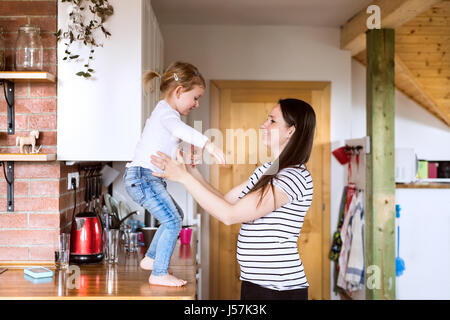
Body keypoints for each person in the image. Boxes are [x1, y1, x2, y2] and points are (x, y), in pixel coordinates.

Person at [151, 98, 316, 300]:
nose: (263, 125)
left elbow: (229, 215)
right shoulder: (268, 169)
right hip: (256, 283)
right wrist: (192, 172)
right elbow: (227, 202)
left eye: (272, 121)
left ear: (291, 131)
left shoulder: (292, 176)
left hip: (279, 289)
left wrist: (183, 178)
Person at [123, 61, 226, 287]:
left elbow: (172, 141)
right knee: (172, 221)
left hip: (145, 178)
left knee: (175, 215)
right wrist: (208, 144)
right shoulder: (166, 113)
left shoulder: (166, 114)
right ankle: (159, 272)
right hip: (143, 177)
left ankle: (151, 258)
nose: (197, 104)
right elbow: (179, 130)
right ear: (179, 92)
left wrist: (187, 155)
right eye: (196, 97)